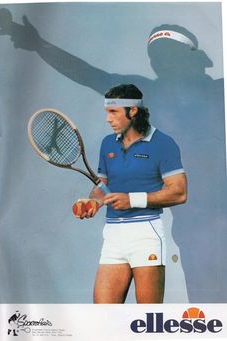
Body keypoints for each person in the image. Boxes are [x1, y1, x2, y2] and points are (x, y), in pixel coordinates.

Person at [73, 84, 187, 304]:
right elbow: (102, 186)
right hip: (113, 236)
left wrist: (132, 199)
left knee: (148, 318)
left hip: (146, 233)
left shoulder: (163, 144)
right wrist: (93, 202)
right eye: (107, 112)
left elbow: (179, 192)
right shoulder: (108, 144)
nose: (108, 119)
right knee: (104, 318)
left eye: (113, 112)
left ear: (133, 111)